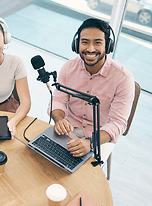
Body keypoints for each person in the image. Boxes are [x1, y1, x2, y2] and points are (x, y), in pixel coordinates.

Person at [49, 18, 135, 163]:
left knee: (84, 180)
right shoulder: (68, 68)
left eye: (97, 42)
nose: (90, 49)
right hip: (69, 129)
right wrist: (59, 120)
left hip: (101, 137)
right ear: (76, 44)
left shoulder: (123, 79)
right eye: (85, 42)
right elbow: (58, 100)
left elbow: (118, 123)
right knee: (45, 161)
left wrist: (90, 142)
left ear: (108, 46)